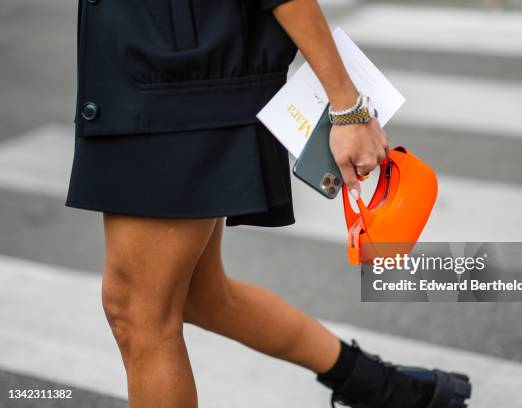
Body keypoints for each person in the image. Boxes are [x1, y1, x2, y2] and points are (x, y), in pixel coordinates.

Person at [66, 0, 471, 407]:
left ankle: (388, 389)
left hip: (173, 93)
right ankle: (387, 389)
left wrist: (347, 107)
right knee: (199, 297)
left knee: (137, 314)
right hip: (152, 78)